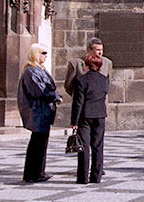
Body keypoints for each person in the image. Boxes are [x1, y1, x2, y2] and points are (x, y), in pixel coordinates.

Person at [18, 43, 62, 183]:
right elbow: (39, 90)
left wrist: (55, 95)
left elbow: (51, 87)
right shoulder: (30, 71)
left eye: (46, 53)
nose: (45, 56)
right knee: (37, 142)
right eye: (43, 53)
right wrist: (55, 97)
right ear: (35, 54)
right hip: (37, 111)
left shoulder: (41, 70)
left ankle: (39, 171)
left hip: (45, 111)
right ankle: (32, 173)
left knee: (42, 142)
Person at [71, 54, 109, 184]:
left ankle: (83, 177)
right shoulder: (105, 80)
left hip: (85, 116)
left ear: (86, 65)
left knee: (84, 147)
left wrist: (74, 122)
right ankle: (96, 176)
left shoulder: (81, 80)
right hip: (100, 114)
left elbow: (78, 103)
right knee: (98, 146)